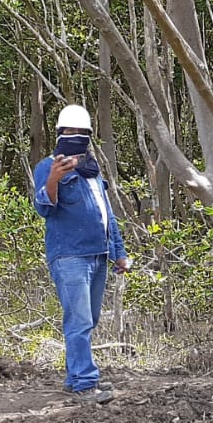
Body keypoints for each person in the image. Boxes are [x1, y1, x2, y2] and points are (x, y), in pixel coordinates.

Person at [32, 104, 130, 402]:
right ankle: (86, 384)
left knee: (91, 318)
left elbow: (106, 215)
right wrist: (53, 179)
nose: (76, 137)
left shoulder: (91, 172)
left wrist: (119, 252)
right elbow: (42, 208)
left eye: (82, 133)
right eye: (70, 132)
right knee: (80, 320)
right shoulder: (46, 167)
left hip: (99, 254)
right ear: (60, 134)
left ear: (88, 136)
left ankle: (75, 377)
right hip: (69, 255)